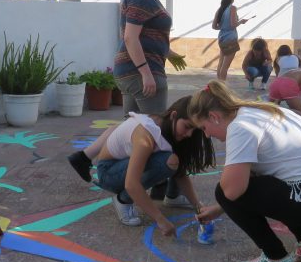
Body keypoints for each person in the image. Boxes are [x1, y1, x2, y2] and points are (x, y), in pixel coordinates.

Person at [189, 81, 301, 262]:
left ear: (214, 117)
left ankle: (274, 256)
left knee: (223, 191)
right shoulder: (262, 110)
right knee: (268, 178)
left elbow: (232, 190)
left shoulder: (240, 127)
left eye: (204, 128)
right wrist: (219, 210)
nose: (207, 136)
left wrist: (222, 203)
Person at [66, 96, 215, 234]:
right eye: (187, 126)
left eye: (194, 130)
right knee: (169, 161)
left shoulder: (166, 126)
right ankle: (123, 200)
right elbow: (131, 183)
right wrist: (160, 220)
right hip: (109, 173)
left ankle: (172, 197)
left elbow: (181, 172)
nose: (189, 134)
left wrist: (198, 206)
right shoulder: (146, 135)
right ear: (174, 115)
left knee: (175, 159)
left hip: (121, 167)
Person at [113, 0, 187, 114]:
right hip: (141, 72)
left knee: (133, 129)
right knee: (155, 129)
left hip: (132, 71)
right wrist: (146, 74)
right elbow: (130, 38)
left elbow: (146, 34)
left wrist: (168, 52)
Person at [212, 0, 251, 81]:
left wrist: (223, 27)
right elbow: (233, 24)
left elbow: (214, 26)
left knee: (221, 63)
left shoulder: (220, 9)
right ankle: (222, 86)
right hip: (231, 38)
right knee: (225, 66)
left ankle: (218, 85)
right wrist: (241, 22)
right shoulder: (232, 8)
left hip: (221, 38)